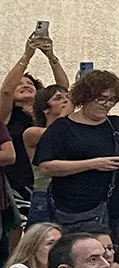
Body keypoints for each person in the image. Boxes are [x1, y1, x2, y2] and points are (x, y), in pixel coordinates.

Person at [33, 71, 119, 235]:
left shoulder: (117, 124)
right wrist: (92, 164)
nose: (106, 104)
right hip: (78, 211)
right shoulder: (62, 128)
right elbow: (47, 167)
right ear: (85, 97)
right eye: (101, 98)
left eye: (111, 100)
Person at [2, 33, 57, 232]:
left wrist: (51, 56)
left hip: (49, 183)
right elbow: (6, 91)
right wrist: (27, 55)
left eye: (30, 84)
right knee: (20, 236)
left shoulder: (47, 117)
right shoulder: (9, 117)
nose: (25, 85)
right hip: (17, 184)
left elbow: (64, 92)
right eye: (20, 84)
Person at [22, 86, 70, 228]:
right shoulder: (32, 133)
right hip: (43, 194)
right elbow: (55, 134)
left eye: (66, 97)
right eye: (58, 98)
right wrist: (68, 110)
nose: (65, 101)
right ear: (45, 109)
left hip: (68, 194)